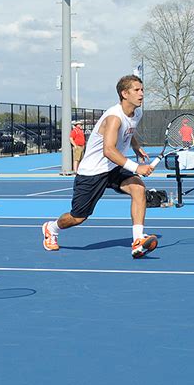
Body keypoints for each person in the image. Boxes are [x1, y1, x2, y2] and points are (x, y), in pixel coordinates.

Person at [42, 75, 158, 259]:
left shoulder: (137, 113)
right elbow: (109, 150)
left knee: (138, 189)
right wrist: (137, 168)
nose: (141, 93)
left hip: (113, 168)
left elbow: (130, 129)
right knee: (78, 217)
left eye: (142, 89)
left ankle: (137, 240)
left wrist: (135, 146)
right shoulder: (114, 118)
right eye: (137, 90)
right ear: (124, 94)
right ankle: (51, 227)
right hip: (93, 172)